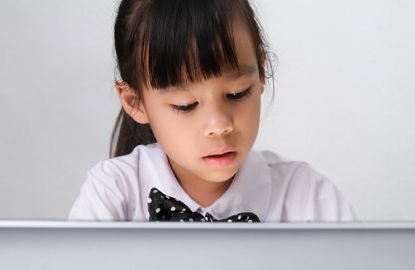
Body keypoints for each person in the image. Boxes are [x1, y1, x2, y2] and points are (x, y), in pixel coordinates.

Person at [69, 0, 355, 222]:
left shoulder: (306, 196)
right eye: (186, 105)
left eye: (237, 93)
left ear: (261, 76)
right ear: (135, 102)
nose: (219, 125)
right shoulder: (113, 192)